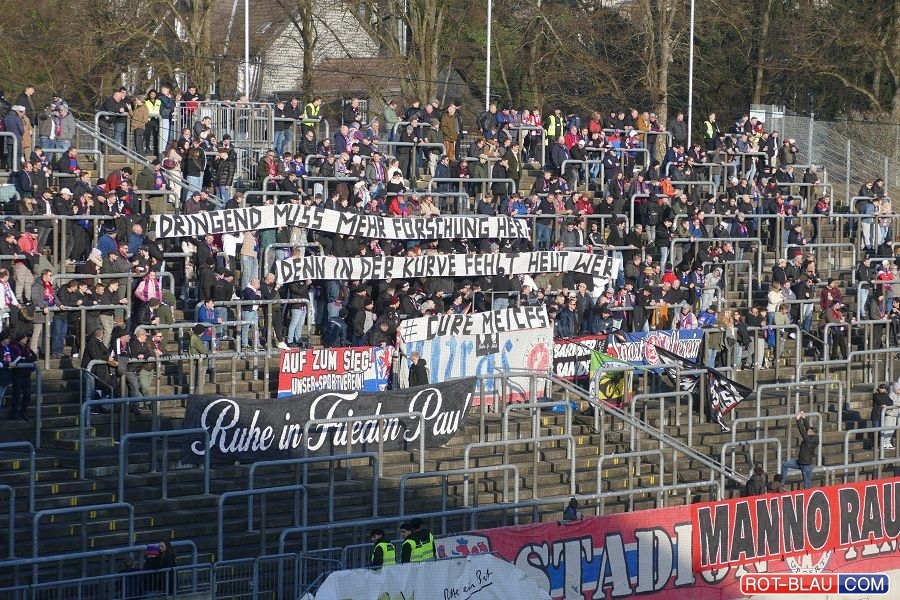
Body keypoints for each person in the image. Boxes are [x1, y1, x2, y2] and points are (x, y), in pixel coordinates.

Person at [780, 411, 818, 489]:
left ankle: (809, 497)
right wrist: (804, 418)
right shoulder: (813, 437)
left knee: (807, 485)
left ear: (811, 433)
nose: (808, 431)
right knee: (785, 464)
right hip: (800, 462)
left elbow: (802, 431)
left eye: (809, 431)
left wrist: (797, 420)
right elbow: (808, 428)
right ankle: (781, 484)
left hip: (806, 465)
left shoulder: (809, 440)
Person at [871, 383, 893, 449]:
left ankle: (880, 445)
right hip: (876, 415)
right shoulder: (875, 395)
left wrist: (885, 404)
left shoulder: (886, 395)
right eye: (880, 387)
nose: (881, 389)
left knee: (882, 431)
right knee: (876, 431)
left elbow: (891, 402)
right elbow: (880, 401)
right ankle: (873, 445)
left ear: (885, 389)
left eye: (882, 388)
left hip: (882, 416)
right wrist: (886, 403)